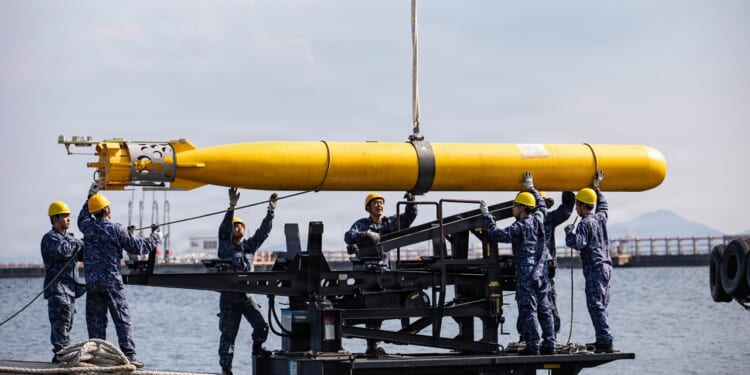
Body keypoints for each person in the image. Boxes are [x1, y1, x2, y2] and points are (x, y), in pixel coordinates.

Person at [78, 183, 161, 368]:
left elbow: (82, 217)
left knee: (96, 321)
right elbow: (139, 248)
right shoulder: (116, 229)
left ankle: (95, 357)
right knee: (122, 319)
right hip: (112, 282)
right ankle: (129, 356)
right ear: (106, 209)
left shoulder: (87, 227)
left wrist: (90, 196)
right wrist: (155, 236)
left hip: (92, 283)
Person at [479, 172, 555, 355]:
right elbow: (542, 206)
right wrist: (532, 188)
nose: (513, 209)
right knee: (545, 309)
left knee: (528, 309)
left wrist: (487, 216)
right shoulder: (538, 219)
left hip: (527, 273)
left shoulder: (520, 226)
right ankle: (549, 344)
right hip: (542, 272)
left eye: (514, 206)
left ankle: (533, 345)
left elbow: (498, 235)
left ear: (521, 208)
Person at [344, 192, 418, 355]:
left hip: (384, 272)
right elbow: (348, 236)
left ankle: (379, 341)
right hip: (365, 272)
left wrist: (411, 201)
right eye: (375, 203)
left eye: (381, 203)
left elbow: (408, 219)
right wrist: (365, 234)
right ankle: (368, 342)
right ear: (368, 208)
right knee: (369, 308)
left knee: (381, 307)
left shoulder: (389, 223)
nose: (379, 205)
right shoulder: (361, 224)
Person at [217, 187, 277, 375]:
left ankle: (257, 349)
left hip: (245, 297)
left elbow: (263, 232)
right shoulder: (225, 246)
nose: (239, 228)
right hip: (229, 299)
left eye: (241, 226)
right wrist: (232, 207)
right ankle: (226, 370)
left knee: (262, 326)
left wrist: (271, 211)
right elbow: (224, 228)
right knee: (228, 337)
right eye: (236, 226)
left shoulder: (249, 247)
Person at [564, 171, 614, 353]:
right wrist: (597, 187)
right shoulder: (600, 218)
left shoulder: (585, 223)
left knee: (595, 304)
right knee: (602, 303)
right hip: (606, 267)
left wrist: (569, 232)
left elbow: (578, 243)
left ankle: (605, 340)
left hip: (595, 268)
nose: (576, 207)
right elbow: (604, 206)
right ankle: (603, 337)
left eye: (577, 204)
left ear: (582, 206)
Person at [41, 200, 86, 363]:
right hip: (58, 289)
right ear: (55, 218)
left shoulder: (67, 239)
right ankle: (61, 355)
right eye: (65, 216)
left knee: (67, 323)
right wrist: (77, 241)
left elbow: (82, 254)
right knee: (61, 323)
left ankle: (63, 355)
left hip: (69, 290)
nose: (68, 219)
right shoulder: (50, 238)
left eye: (69, 216)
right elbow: (65, 252)